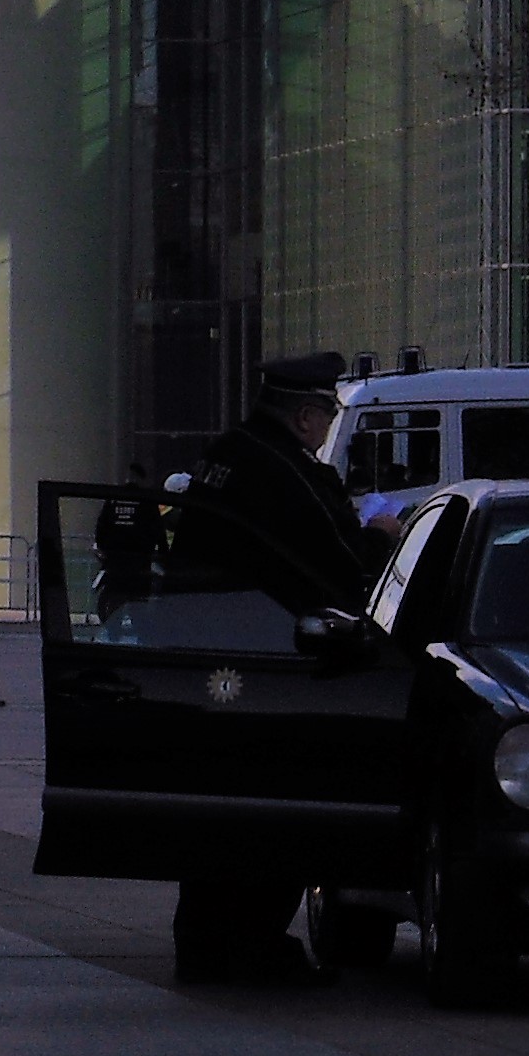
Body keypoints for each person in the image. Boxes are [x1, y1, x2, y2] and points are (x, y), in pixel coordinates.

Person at [164, 351, 392, 982]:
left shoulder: (227, 454)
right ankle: (250, 945)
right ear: (303, 416)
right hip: (266, 673)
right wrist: (384, 537)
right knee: (276, 816)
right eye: (325, 418)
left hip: (207, 667)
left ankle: (205, 942)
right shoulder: (283, 473)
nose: (325, 433)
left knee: (217, 820)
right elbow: (342, 570)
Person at [93, 467, 163, 616]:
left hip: (115, 558)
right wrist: (163, 551)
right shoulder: (146, 499)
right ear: (141, 479)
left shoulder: (113, 498)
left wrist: (102, 547)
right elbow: (157, 527)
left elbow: (101, 525)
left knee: (118, 592)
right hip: (139, 559)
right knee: (139, 602)